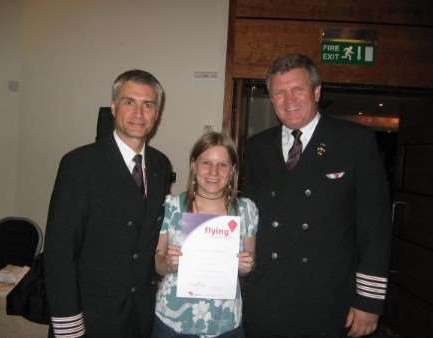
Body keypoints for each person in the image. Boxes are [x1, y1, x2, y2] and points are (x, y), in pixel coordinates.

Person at [242, 54, 392, 338]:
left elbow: (375, 227)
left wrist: (369, 301)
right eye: (279, 93)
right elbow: (249, 218)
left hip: (325, 298)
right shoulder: (257, 146)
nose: (289, 100)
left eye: (297, 89)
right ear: (271, 99)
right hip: (266, 295)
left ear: (316, 91)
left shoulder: (354, 141)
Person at [44, 69, 172, 338]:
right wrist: (68, 322)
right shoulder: (79, 164)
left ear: (157, 114)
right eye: (129, 102)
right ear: (114, 107)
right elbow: (59, 251)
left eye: (148, 104)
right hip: (91, 317)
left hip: (141, 315)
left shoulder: (161, 165)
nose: (139, 113)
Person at [152, 132, 258, 338]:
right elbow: (158, 263)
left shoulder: (246, 210)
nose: (213, 172)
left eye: (223, 165)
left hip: (225, 323)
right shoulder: (171, 207)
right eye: (206, 162)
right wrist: (169, 264)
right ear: (193, 165)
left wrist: (245, 266)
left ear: (233, 170)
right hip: (173, 322)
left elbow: (249, 265)